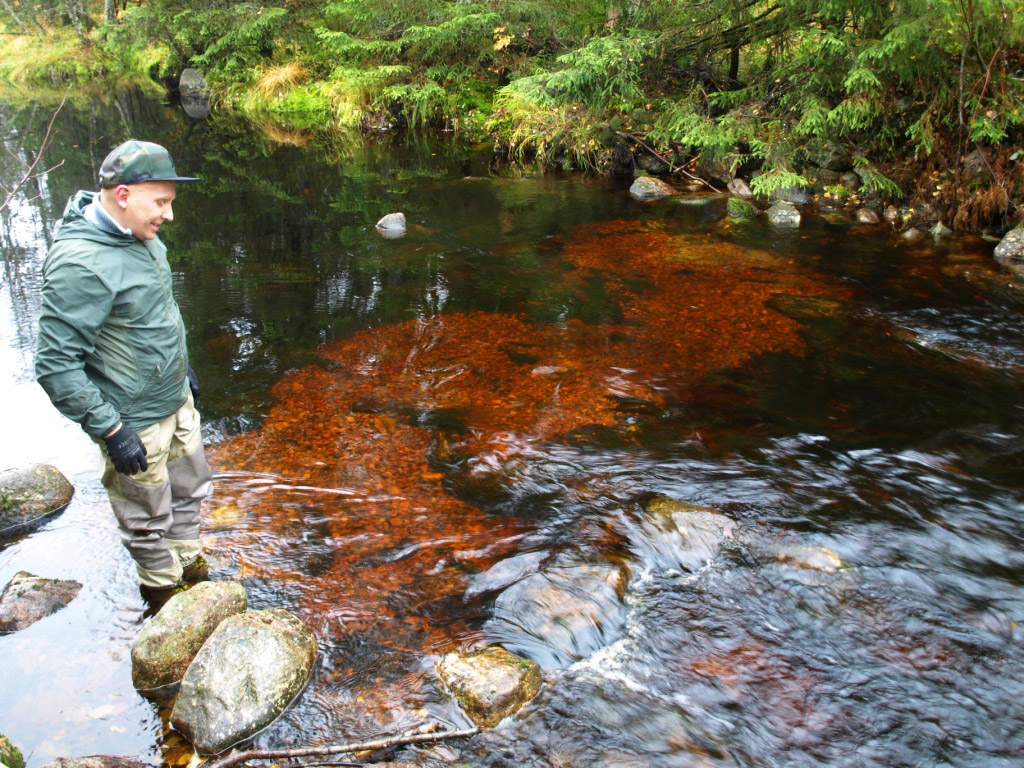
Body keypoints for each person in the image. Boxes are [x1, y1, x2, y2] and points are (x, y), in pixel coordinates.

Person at [35, 139, 212, 611]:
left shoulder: (143, 236)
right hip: (134, 422)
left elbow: (154, 314)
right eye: (161, 203)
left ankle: (195, 573)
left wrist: (182, 366)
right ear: (124, 195)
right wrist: (111, 430)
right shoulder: (80, 264)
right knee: (147, 519)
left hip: (175, 401)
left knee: (190, 491)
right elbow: (55, 366)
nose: (168, 216)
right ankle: (166, 602)